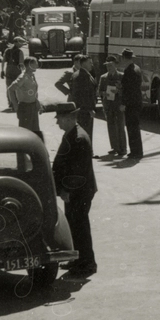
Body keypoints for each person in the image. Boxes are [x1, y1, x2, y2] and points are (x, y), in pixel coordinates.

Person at [51, 103, 97, 278]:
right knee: (73, 225)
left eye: (59, 119)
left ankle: (87, 263)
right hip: (75, 191)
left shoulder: (78, 138)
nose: (57, 122)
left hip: (78, 191)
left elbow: (78, 171)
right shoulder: (72, 134)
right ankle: (77, 259)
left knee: (80, 227)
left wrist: (67, 190)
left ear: (70, 118)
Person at [55, 55, 98, 145]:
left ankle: (87, 151)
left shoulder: (83, 73)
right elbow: (83, 96)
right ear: (83, 64)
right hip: (84, 110)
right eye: (89, 63)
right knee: (85, 131)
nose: (92, 65)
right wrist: (90, 109)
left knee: (84, 131)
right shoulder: (81, 75)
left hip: (83, 109)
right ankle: (85, 152)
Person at [97, 55, 127, 158]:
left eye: (110, 65)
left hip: (118, 105)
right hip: (108, 105)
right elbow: (99, 91)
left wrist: (119, 91)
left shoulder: (121, 76)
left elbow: (126, 91)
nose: (108, 67)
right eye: (107, 65)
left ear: (115, 65)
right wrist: (104, 93)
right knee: (111, 126)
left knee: (120, 126)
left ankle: (123, 148)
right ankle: (114, 147)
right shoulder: (103, 77)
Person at [9, 56, 43, 140]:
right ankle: (21, 153)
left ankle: (34, 152)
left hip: (33, 107)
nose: (37, 65)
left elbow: (33, 92)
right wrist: (16, 106)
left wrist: (37, 103)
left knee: (35, 133)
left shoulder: (31, 76)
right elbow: (10, 89)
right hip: (25, 108)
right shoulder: (23, 77)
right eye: (35, 63)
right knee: (24, 134)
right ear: (29, 65)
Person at [120, 49, 144, 159]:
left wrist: (124, 103)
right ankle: (136, 150)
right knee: (134, 127)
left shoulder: (129, 70)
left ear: (124, 58)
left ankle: (136, 152)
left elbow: (128, 90)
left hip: (131, 103)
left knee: (131, 127)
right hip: (136, 102)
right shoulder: (136, 68)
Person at [2, 36, 26, 112]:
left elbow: (3, 61)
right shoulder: (20, 52)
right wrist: (24, 72)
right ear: (17, 43)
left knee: (9, 87)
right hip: (16, 70)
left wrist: (2, 71)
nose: (22, 45)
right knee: (17, 87)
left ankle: (11, 104)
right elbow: (21, 64)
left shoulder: (7, 50)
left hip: (8, 69)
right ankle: (16, 104)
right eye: (21, 43)